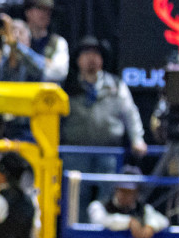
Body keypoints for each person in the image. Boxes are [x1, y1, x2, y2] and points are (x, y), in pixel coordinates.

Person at [62, 36, 146, 211]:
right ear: (77, 59)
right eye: (86, 54)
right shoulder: (67, 86)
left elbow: (130, 113)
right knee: (74, 199)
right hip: (75, 152)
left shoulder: (115, 85)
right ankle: (76, 237)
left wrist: (137, 139)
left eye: (95, 54)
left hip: (108, 152)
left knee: (108, 197)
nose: (91, 59)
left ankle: (104, 234)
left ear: (102, 59)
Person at [88, 165, 170, 238]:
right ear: (116, 188)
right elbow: (99, 220)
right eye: (122, 190)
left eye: (129, 192)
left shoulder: (142, 208)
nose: (124, 195)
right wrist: (128, 222)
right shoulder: (99, 205)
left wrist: (151, 226)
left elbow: (164, 221)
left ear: (136, 193)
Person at [10, 0, 69, 84]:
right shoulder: (16, 35)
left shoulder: (58, 42)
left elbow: (59, 73)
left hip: (44, 97)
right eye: (40, 8)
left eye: (48, 10)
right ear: (28, 12)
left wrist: (22, 49)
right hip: (19, 95)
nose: (45, 14)